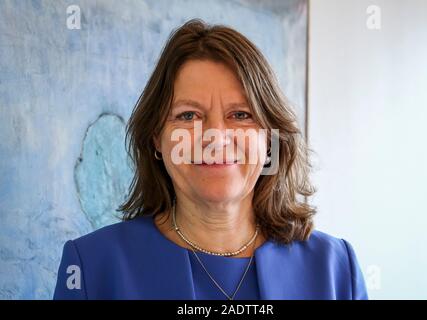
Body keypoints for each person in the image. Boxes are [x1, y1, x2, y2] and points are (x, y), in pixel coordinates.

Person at [53, 19, 368, 300]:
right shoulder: (92, 268)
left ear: (270, 140)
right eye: (188, 115)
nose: (216, 136)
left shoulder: (336, 270)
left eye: (241, 115)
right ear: (156, 139)